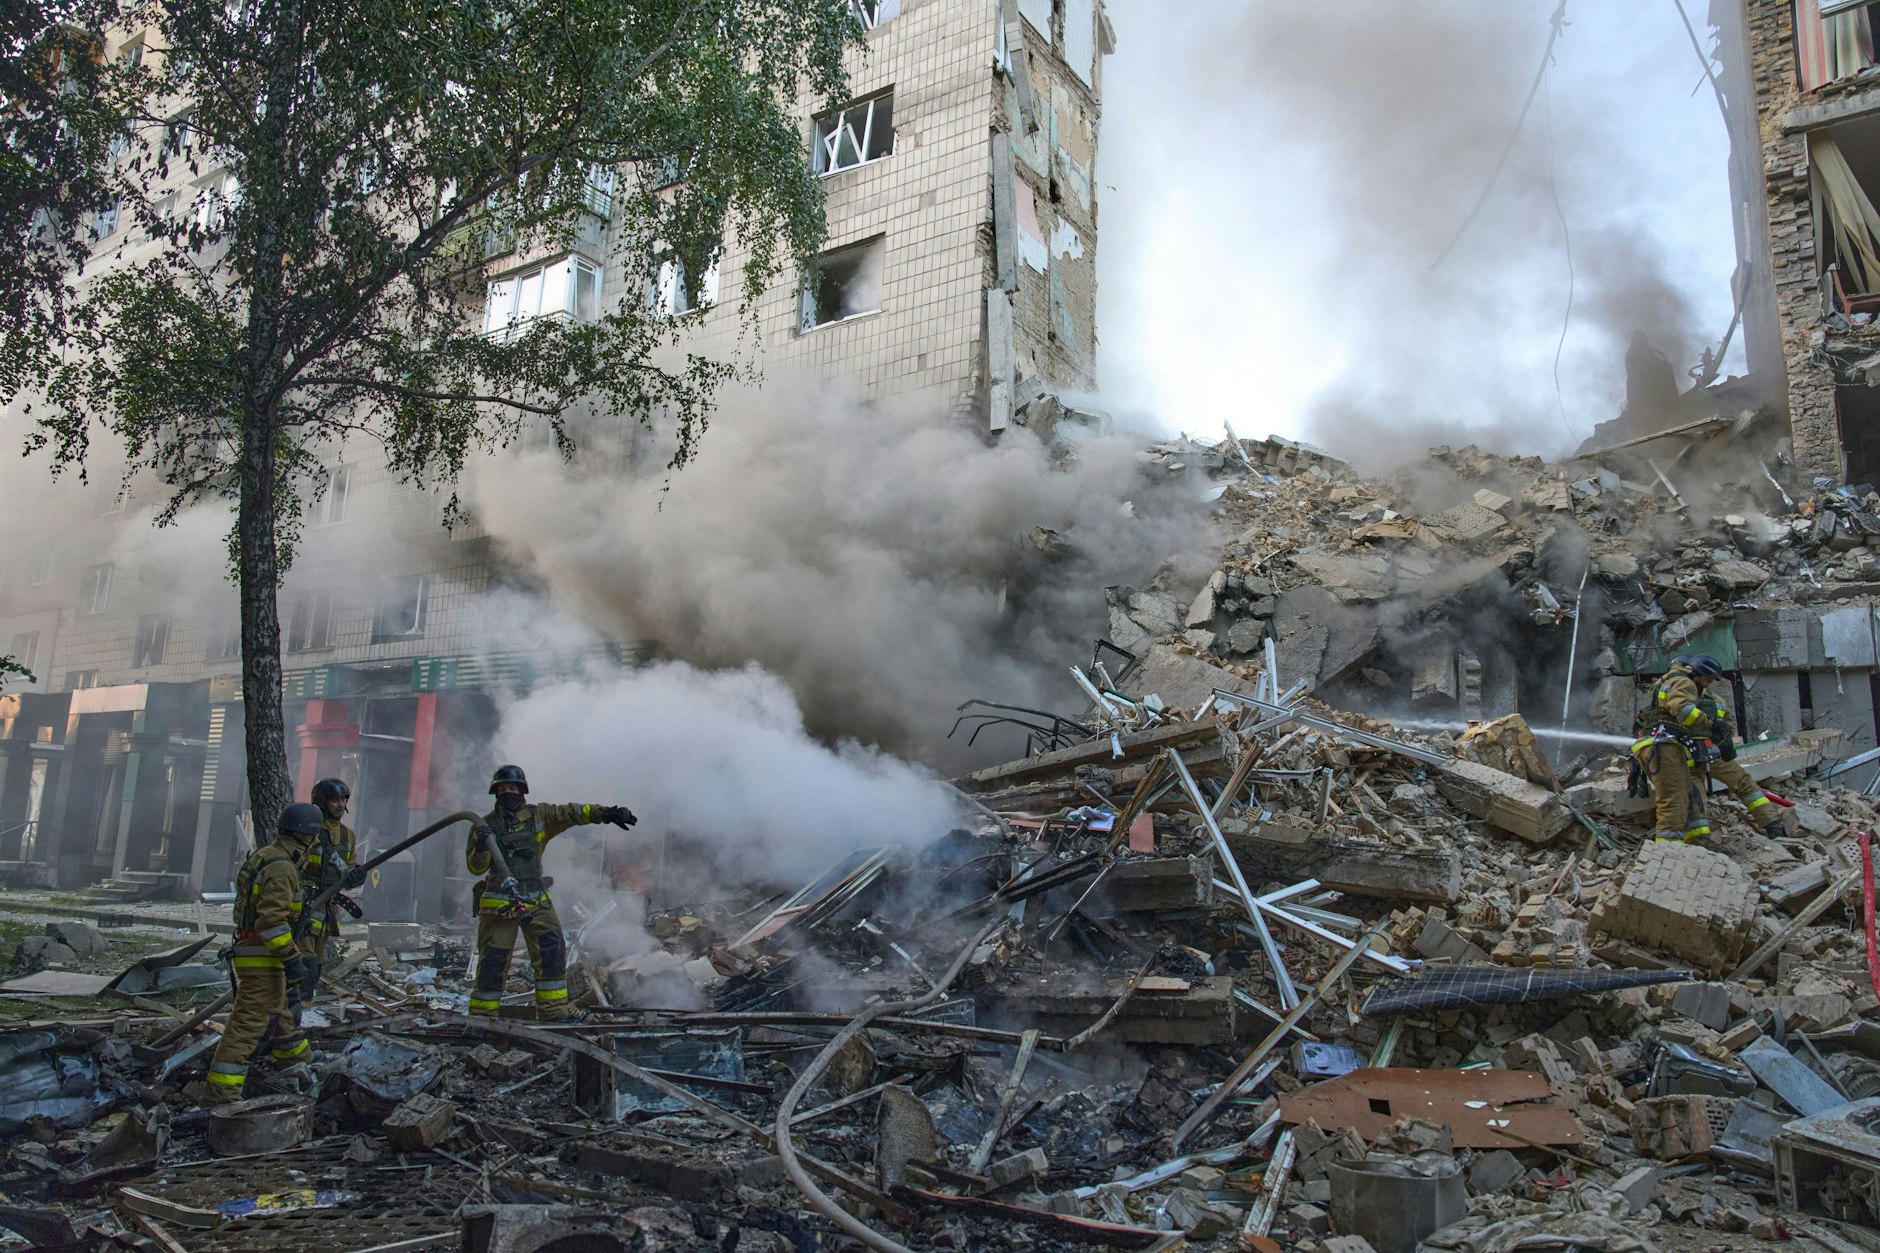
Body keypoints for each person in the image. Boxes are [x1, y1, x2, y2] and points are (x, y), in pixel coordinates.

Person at [466, 765, 635, 1020]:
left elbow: (573, 812)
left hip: (535, 899)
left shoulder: (541, 815)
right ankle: (481, 1017)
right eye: (502, 789)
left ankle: (553, 1011)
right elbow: (475, 868)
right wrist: (481, 846)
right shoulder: (484, 826)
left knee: (552, 951)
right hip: (499, 904)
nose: (508, 793)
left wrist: (607, 813)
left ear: (522, 790)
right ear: (495, 792)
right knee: (493, 961)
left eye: (512, 788)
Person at [196, 803, 321, 1104]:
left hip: (260, 954)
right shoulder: (282, 867)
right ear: (307, 836)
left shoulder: (267, 855)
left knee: (281, 1016)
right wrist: (292, 958)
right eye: (315, 839)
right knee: (248, 1025)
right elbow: (272, 921)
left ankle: (294, 1063)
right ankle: (221, 1096)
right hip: (263, 957)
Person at [1631, 654, 1789, 843]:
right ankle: (1771, 826)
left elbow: (1721, 727)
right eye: (1707, 679)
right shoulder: (1687, 688)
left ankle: (1700, 843)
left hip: (1686, 753)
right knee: (1730, 787)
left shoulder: (1668, 687)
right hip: (1695, 752)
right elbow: (1719, 725)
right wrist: (1719, 734)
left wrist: (1722, 738)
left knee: (1695, 798)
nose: (1708, 683)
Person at [299, 777, 367, 1000]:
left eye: (343, 799)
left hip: (327, 909)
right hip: (304, 904)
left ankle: (304, 1008)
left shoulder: (348, 835)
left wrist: (356, 876)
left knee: (317, 961)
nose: (340, 804)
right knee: (304, 959)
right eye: (334, 800)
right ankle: (296, 1008)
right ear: (321, 802)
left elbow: (349, 869)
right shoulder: (309, 830)